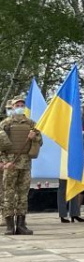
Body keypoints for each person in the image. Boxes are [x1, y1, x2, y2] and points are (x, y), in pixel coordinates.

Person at [0, 95, 42, 235]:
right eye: (17, 105)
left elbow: (40, 141)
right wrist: (5, 163)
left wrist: (33, 137)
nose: (19, 107)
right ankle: (9, 226)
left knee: (23, 195)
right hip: (10, 164)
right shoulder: (5, 123)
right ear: (12, 107)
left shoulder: (31, 124)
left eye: (22, 105)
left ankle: (21, 224)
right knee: (9, 194)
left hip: (25, 163)